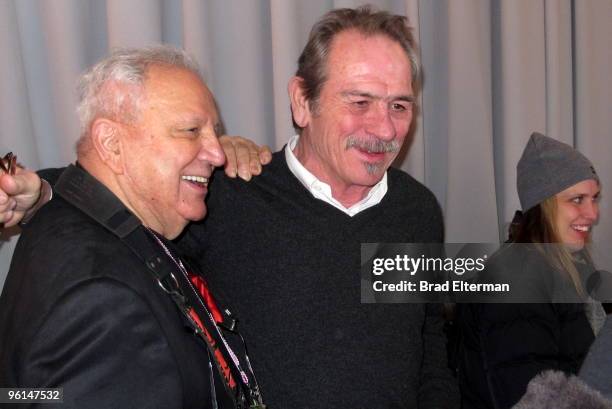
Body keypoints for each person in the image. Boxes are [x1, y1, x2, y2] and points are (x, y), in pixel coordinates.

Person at [1, 7, 458, 408]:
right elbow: (130, 194)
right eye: (360, 102)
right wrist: (43, 191)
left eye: (400, 105)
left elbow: (428, 340)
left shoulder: (417, 209)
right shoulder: (229, 194)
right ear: (302, 101)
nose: (383, 128)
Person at [0, 46, 267, 409]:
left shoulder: (112, 218)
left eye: (212, 132)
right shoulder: (102, 297)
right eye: (190, 130)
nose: (218, 154)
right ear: (112, 144)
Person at [457, 132, 603, 409]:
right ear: (543, 205)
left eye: (594, 198)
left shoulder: (563, 266)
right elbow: (531, 399)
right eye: (577, 200)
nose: (593, 213)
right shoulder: (517, 279)